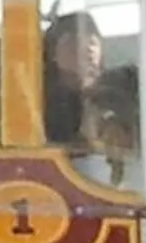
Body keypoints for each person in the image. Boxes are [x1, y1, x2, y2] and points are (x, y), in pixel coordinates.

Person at [42, 11, 105, 146]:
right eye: (75, 41)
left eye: (93, 41)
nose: (87, 48)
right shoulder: (36, 102)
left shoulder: (119, 93)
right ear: (53, 52)